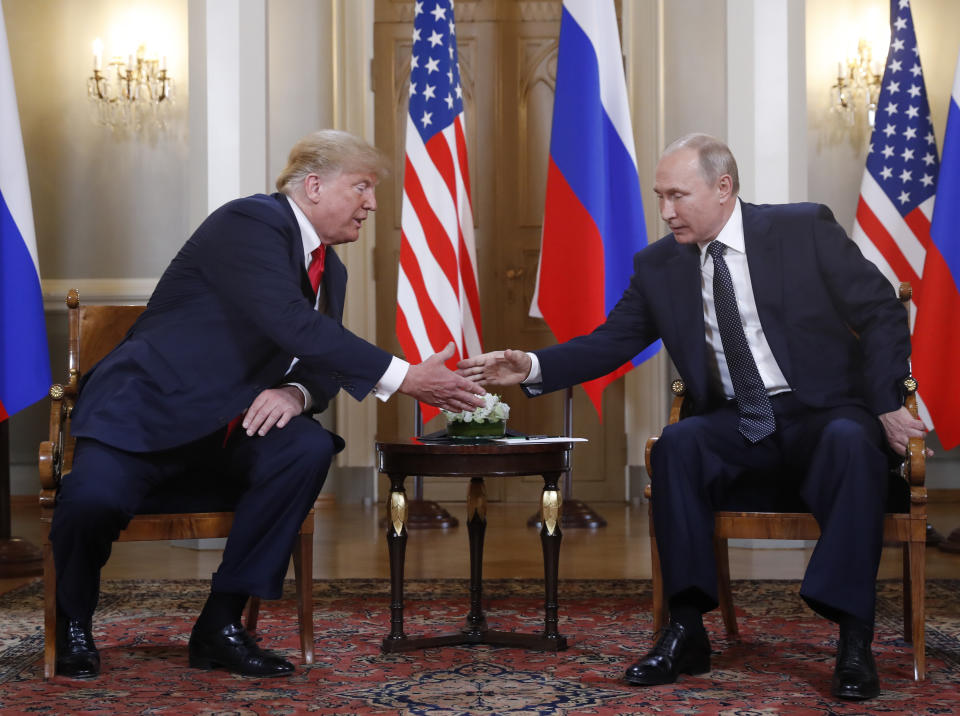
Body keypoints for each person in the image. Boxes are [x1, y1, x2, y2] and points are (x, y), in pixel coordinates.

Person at [458, 133, 924, 701]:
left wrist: (883, 403)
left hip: (821, 414)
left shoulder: (802, 229)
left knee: (852, 442)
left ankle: (854, 639)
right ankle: (686, 628)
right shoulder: (659, 265)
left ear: (723, 187)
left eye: (677, 195)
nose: (666, 212)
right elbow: (612, 342)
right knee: (677, 445)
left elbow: (880, 312)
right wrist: (530, 364)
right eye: (659, 197)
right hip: (737, 422)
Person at [50, 130, 485, 680]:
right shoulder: (251, 222)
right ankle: (70, 625)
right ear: (314, 186)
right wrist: (406, 377)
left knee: (304, 446)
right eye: (362, 187)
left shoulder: (332, 270)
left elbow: (320, 357)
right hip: (147, 415)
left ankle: (221, 626)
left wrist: (295, 392)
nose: (372, 203)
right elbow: (290, 322)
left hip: (229, 432)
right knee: (90, 499)